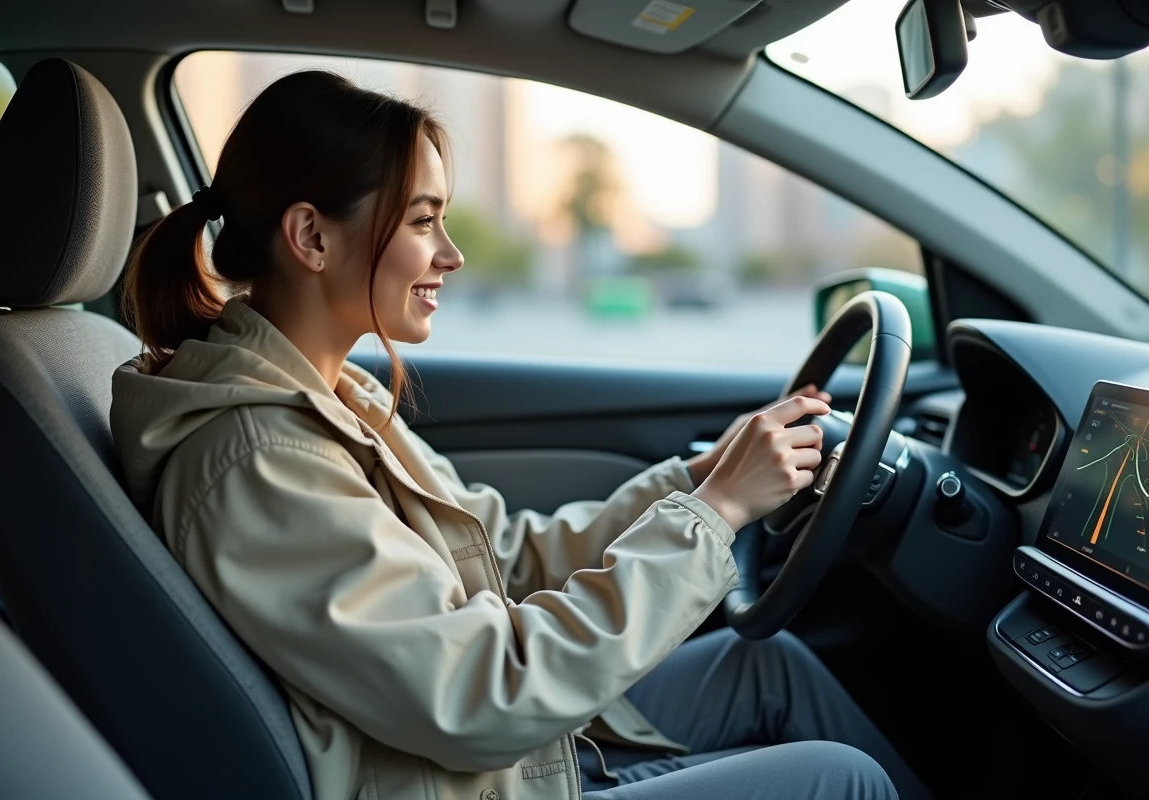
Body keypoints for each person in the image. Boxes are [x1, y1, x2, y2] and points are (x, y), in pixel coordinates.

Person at [110, 70, 928, 800]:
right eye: (424, 221)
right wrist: (713, 518)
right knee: (841, 780)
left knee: (768, 665)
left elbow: (507, 557)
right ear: (313, 238)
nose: (453, 255)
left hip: (466, 766)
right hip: (452, 775)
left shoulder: (330, 397)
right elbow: (482, 692)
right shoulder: (260, 457)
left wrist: (701, 481)